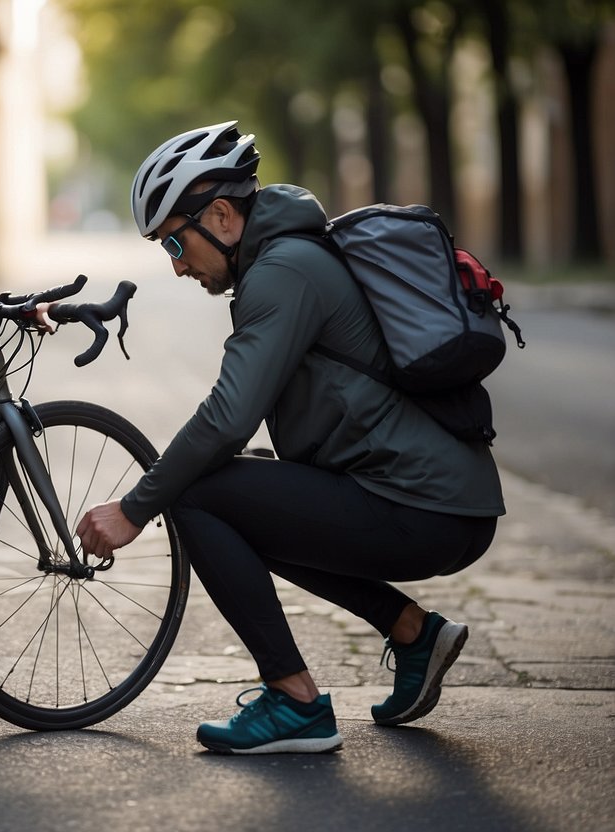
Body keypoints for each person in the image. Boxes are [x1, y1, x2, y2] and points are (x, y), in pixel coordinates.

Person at [74, 122, 504, 755]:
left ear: (221, 215)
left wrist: (135, 508)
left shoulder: (283, 272)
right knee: (240, 490)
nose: (178, 266)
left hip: (427, 508)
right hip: (437, 503)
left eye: (174, 244)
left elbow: (225, 416)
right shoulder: (286, 259)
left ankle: (294, 701)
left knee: (196, 495)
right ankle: (413, 633)